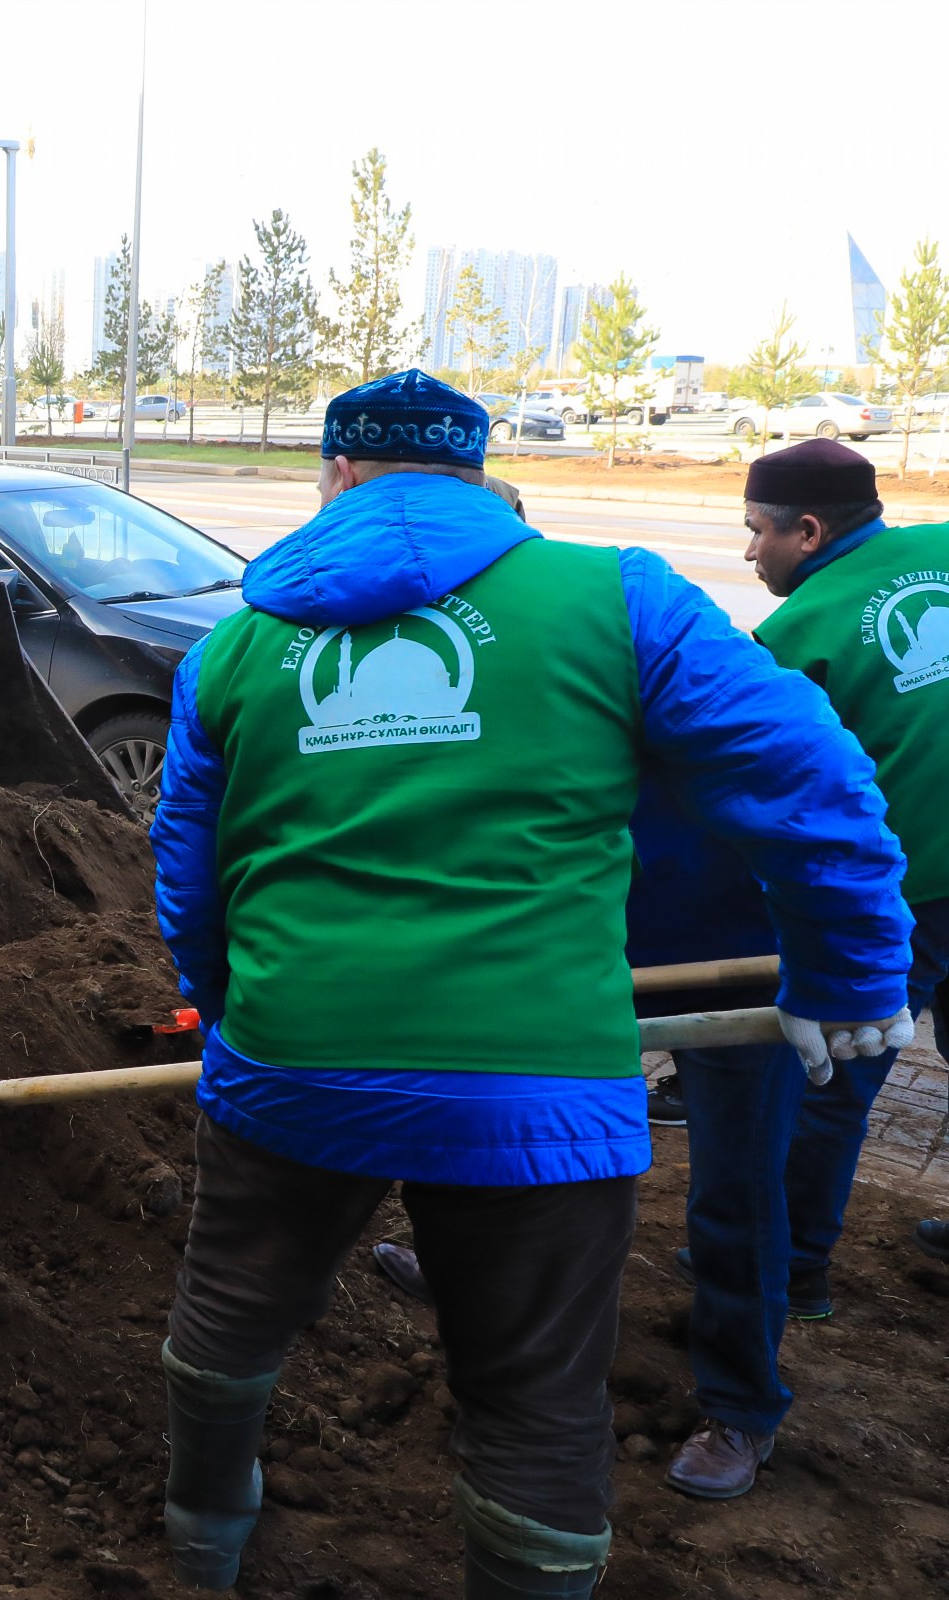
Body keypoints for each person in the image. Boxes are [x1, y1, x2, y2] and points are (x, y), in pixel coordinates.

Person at [149, 370, 911, 1599]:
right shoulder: (617, 597)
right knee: (535, 1397)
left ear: (336, 475)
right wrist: (852, 971)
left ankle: (204, 1539)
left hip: (297, 1056)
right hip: (541, 1081)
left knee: (230, 1316)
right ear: (478, 473)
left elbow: (189, 874)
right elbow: (807, 779)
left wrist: (238, 1019)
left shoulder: (233, 646)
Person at [375, 782, 835, 1501]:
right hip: (579, 940)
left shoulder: (747, 709)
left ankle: (743, 1406)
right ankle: (474, 1274)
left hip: (738, 951)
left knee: (737, 1189)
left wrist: (843, 957)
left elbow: (827, 798)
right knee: (511, 1122)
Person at [740, 439, 949, 1271]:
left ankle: (792, 1270)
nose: (750, 552)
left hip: (912, 885)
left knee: (836, 1071)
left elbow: (771, 788)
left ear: (809, 532)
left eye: (757, 531)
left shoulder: (795, 631)